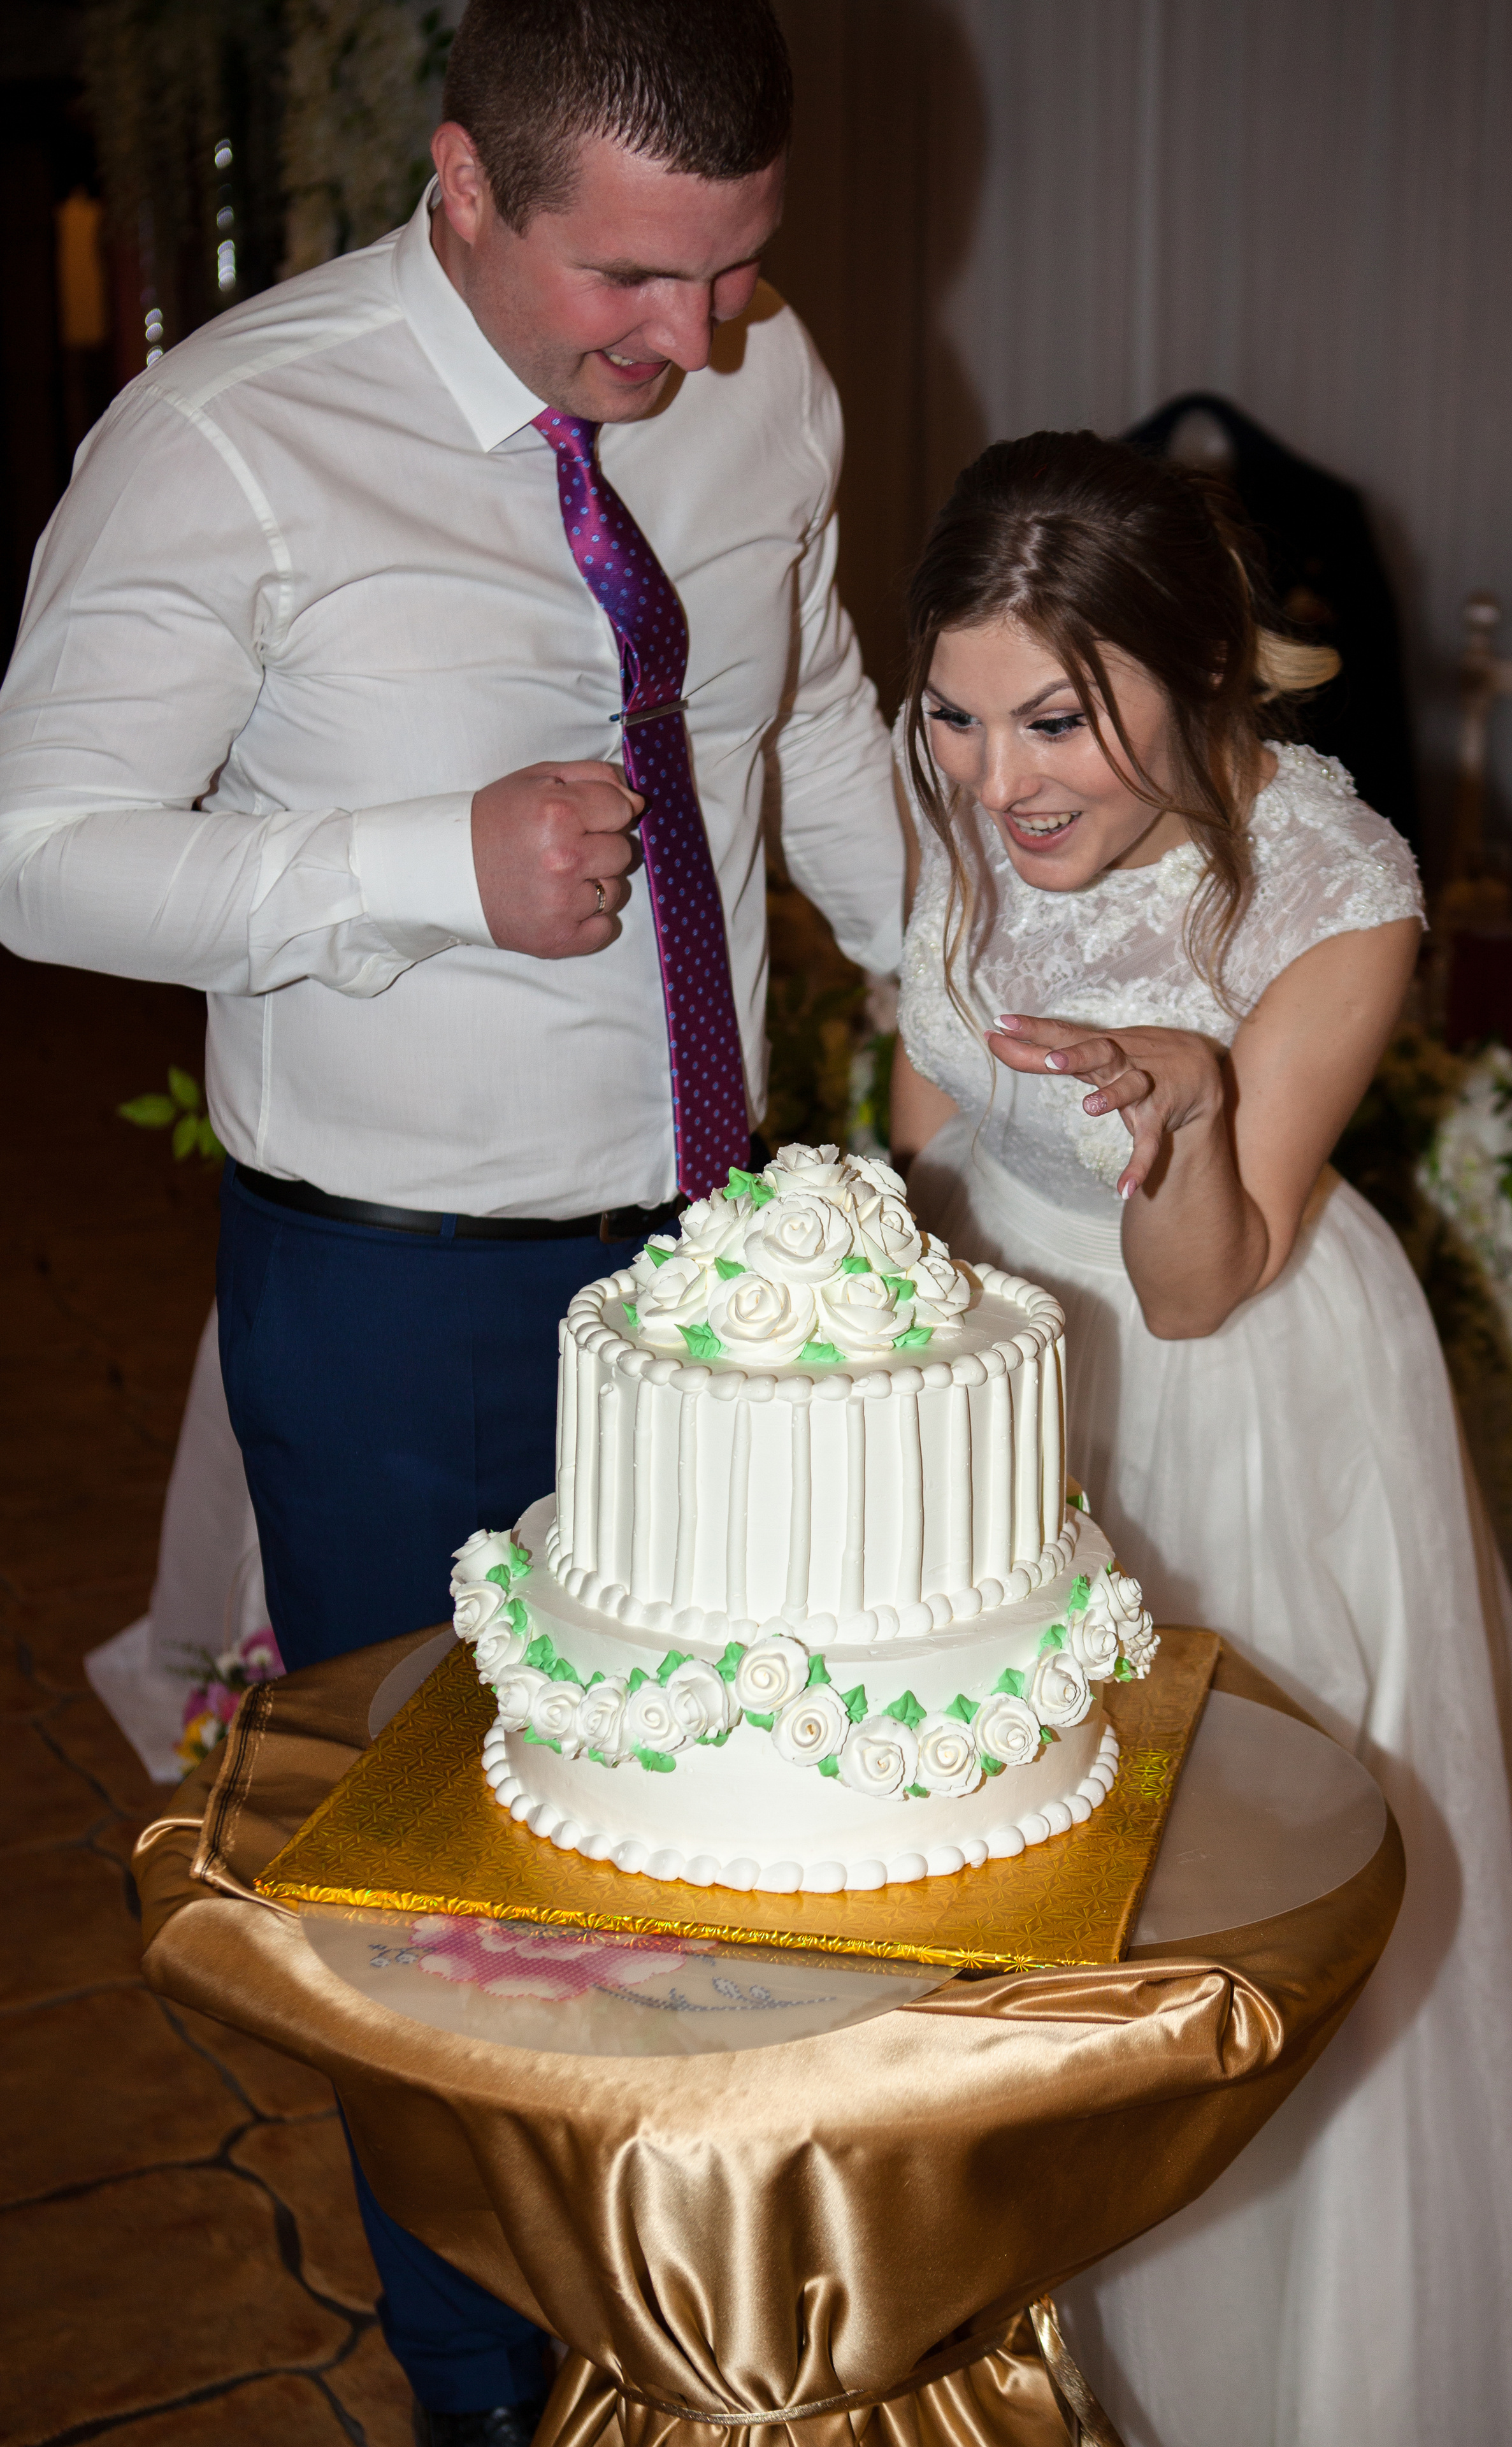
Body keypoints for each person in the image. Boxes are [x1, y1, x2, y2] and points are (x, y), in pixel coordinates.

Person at [0, 4, 903, 2436]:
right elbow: (39, 846)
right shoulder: (229, 436)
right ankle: (486, 2390)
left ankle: (701, 2335)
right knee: (453, 1915)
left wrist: (958, 989)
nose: (690, 339)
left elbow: (802, 707)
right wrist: (421, 868)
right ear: (464, 184)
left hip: (721, 1268)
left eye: (731, 276)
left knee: (715, 1840)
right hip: (404, 1304)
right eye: (633, 278)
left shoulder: (761, 377)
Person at [891, 430, 1512, 2447]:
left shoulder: (1335, 891)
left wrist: (1185, 1111)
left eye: (1053, 718)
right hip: (1002, 1383)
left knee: (1219, 1901)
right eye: (955, 714)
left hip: (1237, 1401)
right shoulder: (970, 799)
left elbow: (1208, 1286)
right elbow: (929, 1122)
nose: (991, 776)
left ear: (1194, 669)